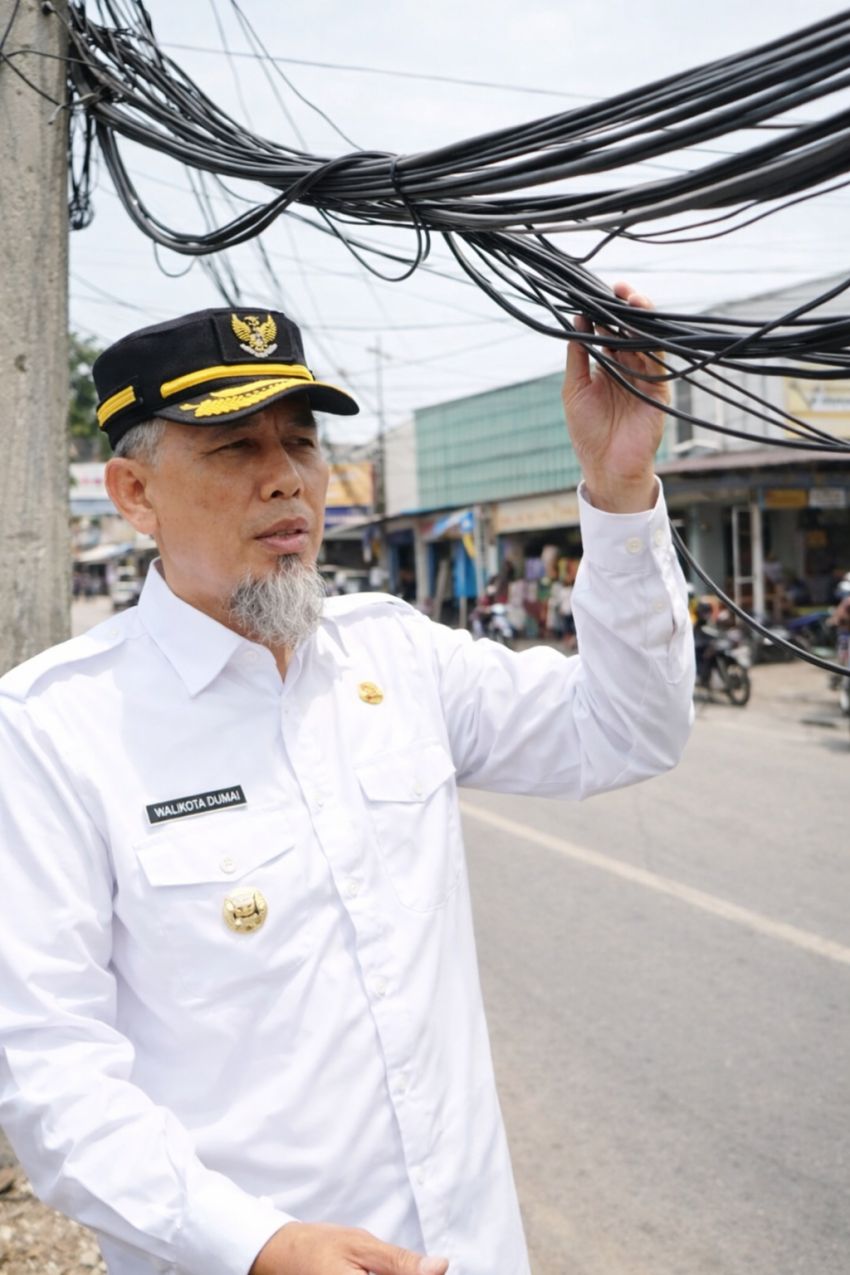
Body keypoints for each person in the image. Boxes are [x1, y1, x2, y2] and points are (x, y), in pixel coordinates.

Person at [0, 288, 694, 1275]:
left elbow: (629, 729)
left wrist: (619, 491)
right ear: (134, 494)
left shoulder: (396, 655)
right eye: (234, 447)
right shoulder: (53, 729)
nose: (286, 478)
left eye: (301, 441)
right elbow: (50, 1071)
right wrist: (257, 1243)